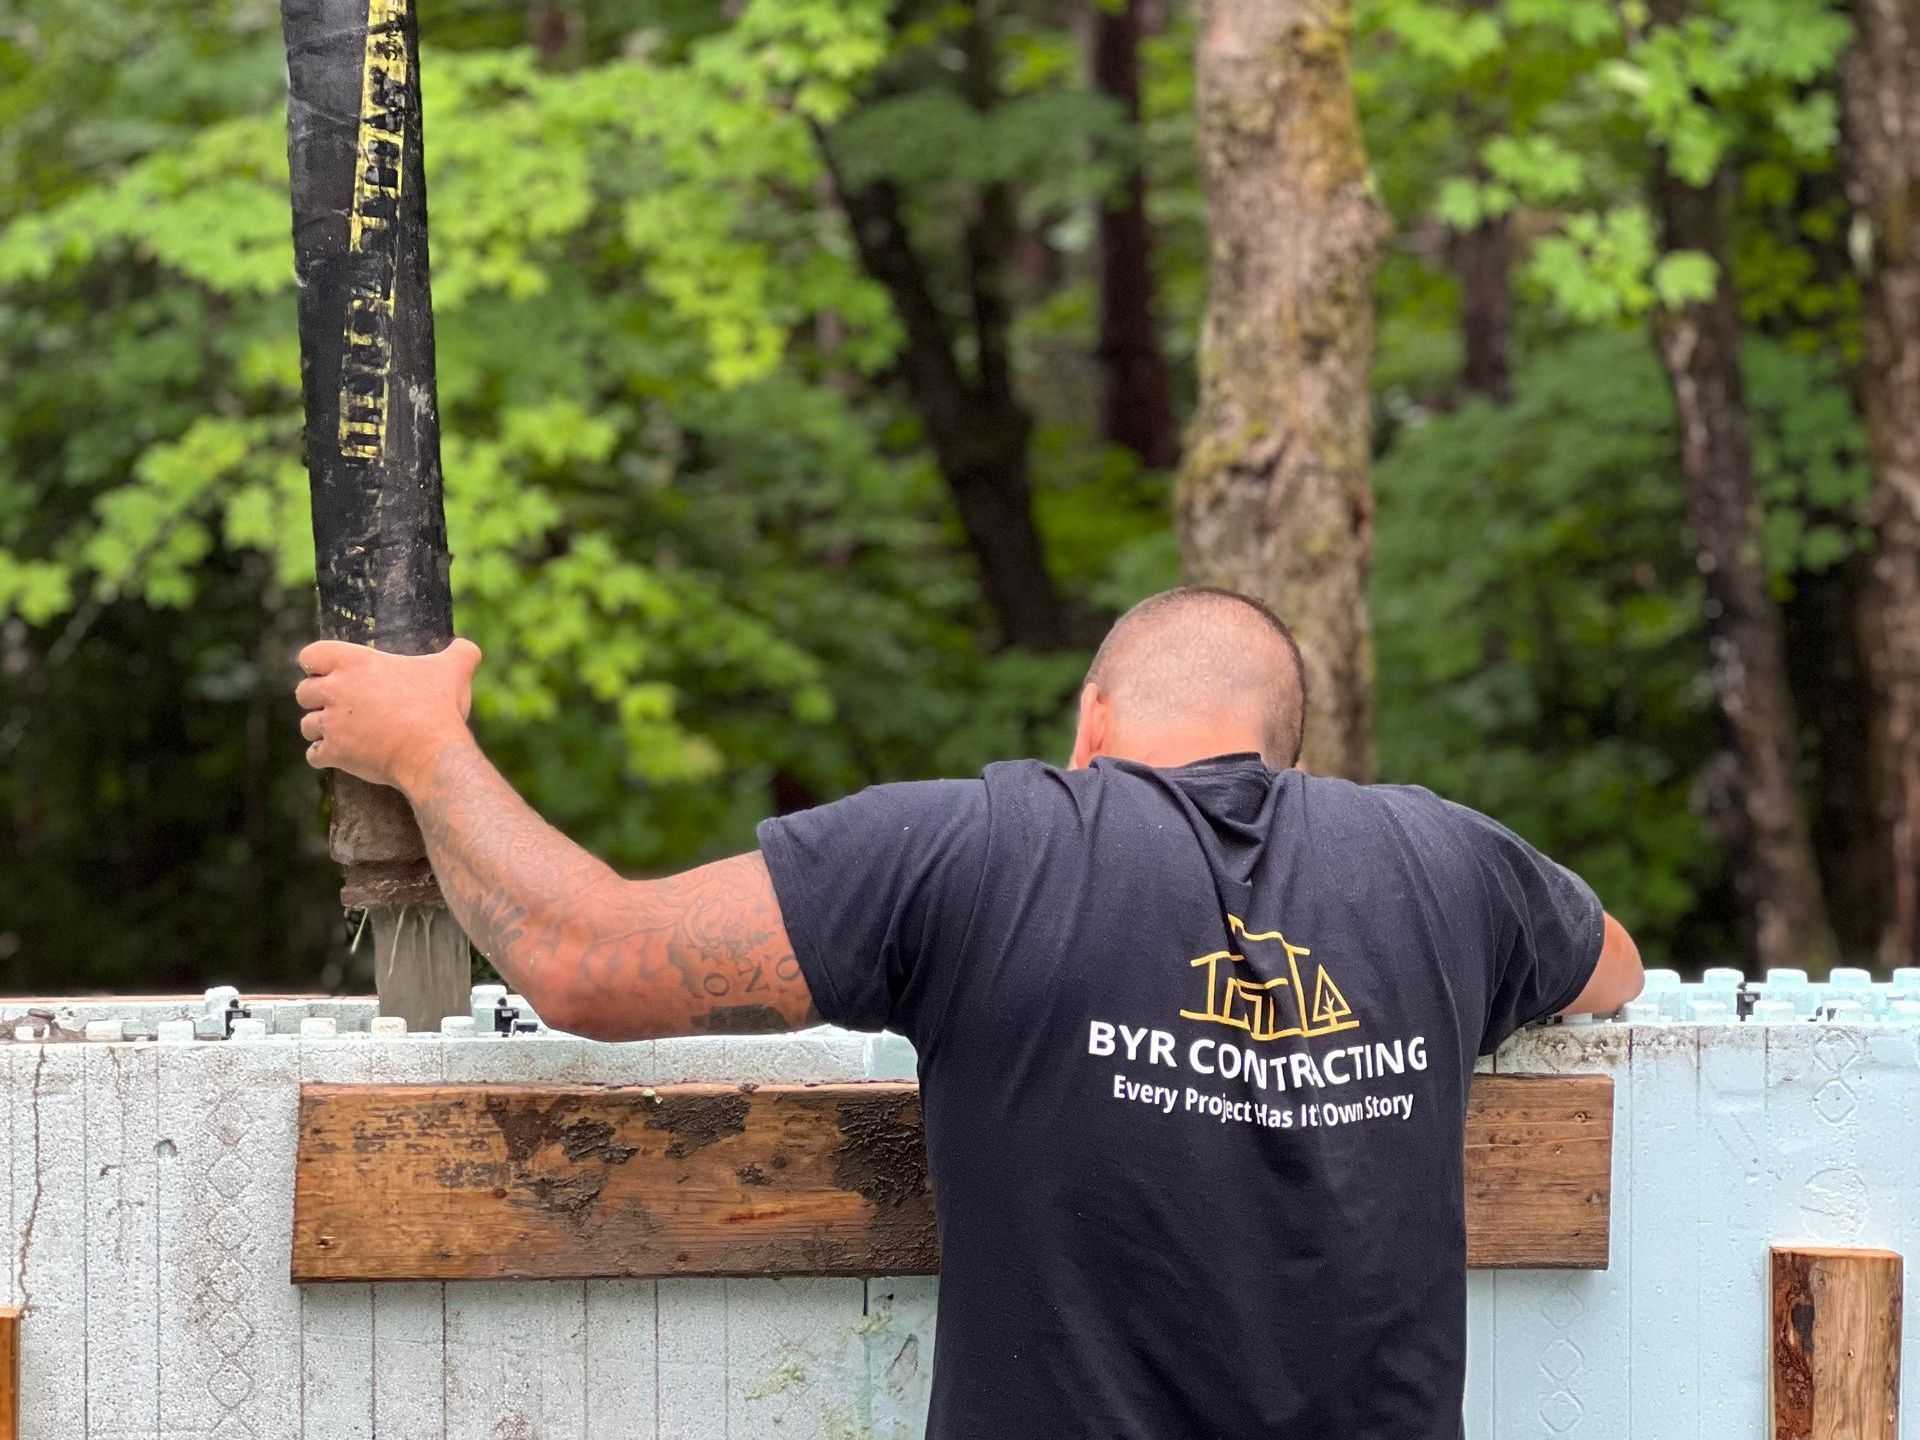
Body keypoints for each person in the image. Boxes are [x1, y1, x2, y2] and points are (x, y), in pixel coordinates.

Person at [295, 585, 1642, 1439]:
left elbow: (587, 957)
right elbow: (1614, 969)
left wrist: (424, 747)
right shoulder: (1443, 862)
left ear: (1092, 720)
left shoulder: (987, 849)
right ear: (1284, 744)